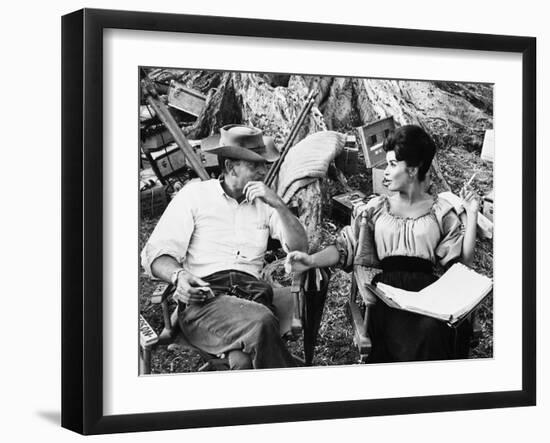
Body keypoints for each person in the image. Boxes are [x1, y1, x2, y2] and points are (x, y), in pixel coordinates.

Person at [286, 125, 479, 363]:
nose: (385, 172)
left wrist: (472, 215)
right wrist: (310, 260)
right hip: (387, 295)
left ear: (412, 170)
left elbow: (463, 264)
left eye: (392, 164)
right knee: (408, 337)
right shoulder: (375, 209)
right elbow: (344, 247)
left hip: (428, 296)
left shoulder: (439, 211)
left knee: (432, 331)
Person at [141, 124, 308, 369]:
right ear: (230, 167)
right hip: (207, 300)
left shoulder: (265, 204)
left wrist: (279, 205)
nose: (263, 171)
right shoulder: (195, 196)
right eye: (254, 165)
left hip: (252, 298)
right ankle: (291, 390)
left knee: (242, 362)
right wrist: (178, 276)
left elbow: (300, 247)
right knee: (262, 321)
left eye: (264, 164)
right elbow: (155, 254)